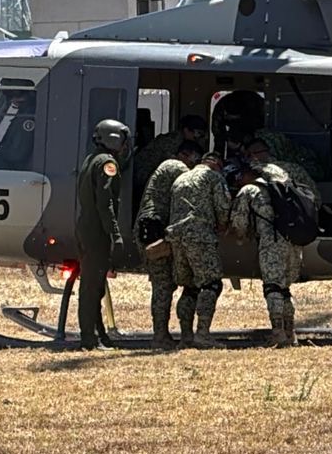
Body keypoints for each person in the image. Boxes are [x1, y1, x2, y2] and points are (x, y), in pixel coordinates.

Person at [228, 160, 303, 347]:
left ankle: (277, 333)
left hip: (271, 244)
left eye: (240, 176)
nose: (238, 180)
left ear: (250, 174)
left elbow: (239, 224)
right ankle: (290, 332)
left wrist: (241, 236)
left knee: (273, 288)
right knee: (284, 289)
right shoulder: (284, 188)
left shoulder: (250, 191)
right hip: (294, 243)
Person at [135, 140, 203, 347]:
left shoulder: (166, 167)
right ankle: (160, 335)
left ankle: (161, 333)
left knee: (164, 284)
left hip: (153, 226)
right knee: (163, 285)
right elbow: (192, 185)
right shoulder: (175, 167)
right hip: (154, 229)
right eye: (195, 159)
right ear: (186, 155)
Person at [75, 118, 132, 350]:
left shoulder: (92, 160)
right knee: (91, 287)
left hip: (85, 227)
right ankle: (88, 338)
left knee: (95, 285)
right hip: (97, 231)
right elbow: (105, 203)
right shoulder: (108, 164)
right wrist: (115, 235)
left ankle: (98, 334)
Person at [168, 151, 231, 347]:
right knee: (211, 284)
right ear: (217, 165)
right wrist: (223, 225)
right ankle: (203, 333)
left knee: (189, 287)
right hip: (200, 235)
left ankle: (185, 336)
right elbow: (223, 206)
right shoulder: (214, 177)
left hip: (177, 237)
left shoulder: (180, 178)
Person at [131, 114, 209, 196]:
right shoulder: (172, 141)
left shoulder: (181, 141)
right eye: (198, 133)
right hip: (143, 176)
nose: (199, 138)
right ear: (186, 130)